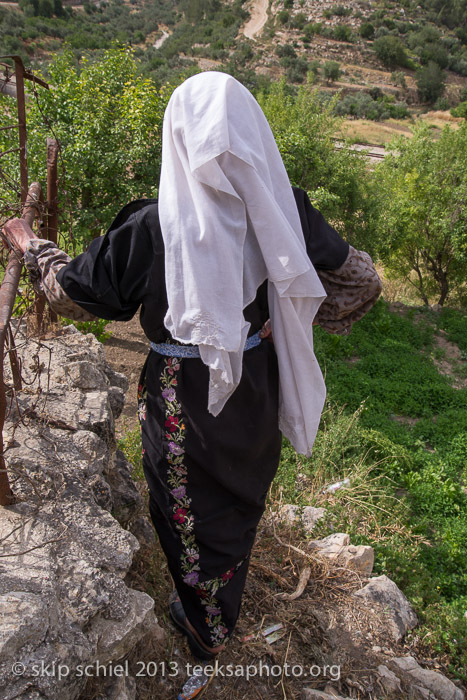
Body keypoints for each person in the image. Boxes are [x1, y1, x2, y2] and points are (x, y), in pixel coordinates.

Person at [3, 72, 381, 664]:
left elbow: (75, 292)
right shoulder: (284, 206)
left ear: (176, 135)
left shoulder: (154, 227)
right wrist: (284, 315)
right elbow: (360, 282)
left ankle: (206, 627)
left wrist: (31, 247)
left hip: (185, 398)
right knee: (238, 496)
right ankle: (218, 606)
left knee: (186, 509)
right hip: (255, 381)